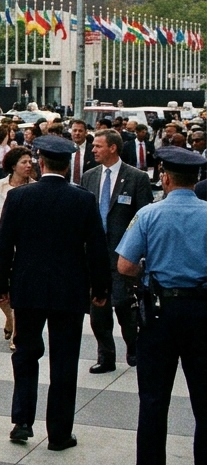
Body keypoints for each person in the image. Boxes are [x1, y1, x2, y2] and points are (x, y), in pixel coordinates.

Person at [0, 135, 110, 450]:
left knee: (26, 355)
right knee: (64, 361)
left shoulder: (18, 197)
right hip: (68, 292)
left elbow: (4, 245)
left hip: (28, 288)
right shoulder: (83, 200)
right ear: (69, 164)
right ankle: (59, 433)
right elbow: (97, 249)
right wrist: (100, 288)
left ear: (40, 162)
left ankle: (22, 421)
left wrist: (0, 285)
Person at [117, 147, 207, 465]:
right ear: (197, 180)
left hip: (159, 314)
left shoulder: (149, 214)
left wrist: (151, 274)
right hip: (203, 313)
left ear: (165, 177)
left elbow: (124, 265)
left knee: (154, 399)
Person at [81, 129, 151, 374]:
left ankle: (134, 347)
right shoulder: (89, 176)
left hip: (124, 255)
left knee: (124, 307)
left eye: (98, 146)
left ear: (113, 148)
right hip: (95, 255)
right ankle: (105, 356)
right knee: (98, 312)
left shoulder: (136, 178)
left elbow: (144, 218)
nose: (93, 150)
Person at [0, 147, 35, 350]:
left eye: (30, 162)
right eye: (24, 162)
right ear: (13, 166)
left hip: (24, 246)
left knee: (19, 289)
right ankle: (10, 318)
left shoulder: (35, 187)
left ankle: (18, 333)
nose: (29, 165)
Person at [67, 119, 96, 186]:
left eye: (80, 131)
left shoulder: (93, 150)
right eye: (74, 130)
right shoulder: (65, 149)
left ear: (86, 133)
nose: (77, 133)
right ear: (71, 132)